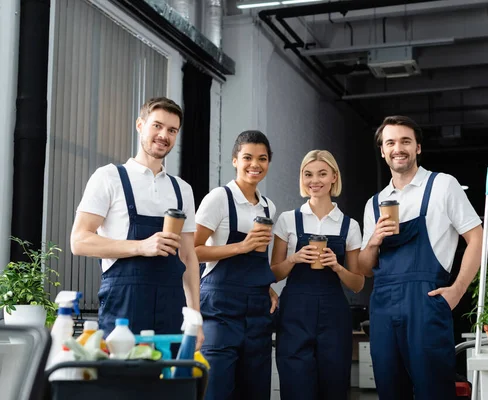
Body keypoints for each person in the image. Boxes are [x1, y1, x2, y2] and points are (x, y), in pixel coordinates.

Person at [358, 116, 483, 399]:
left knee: (433, 390)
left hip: (426, 305)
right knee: (390, 390)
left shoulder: (442, 185)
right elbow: (365, 269)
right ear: (382, 150)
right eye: (390, 142)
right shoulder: (374, 203)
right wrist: (375, 240)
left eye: (405, 141)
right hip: (384, 308)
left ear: (418, 148)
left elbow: (477, 237)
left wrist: (458, 289)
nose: (397, 148)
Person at [71, 97, 202, 345]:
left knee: (169, 381)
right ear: (140, 125)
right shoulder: (109, 177)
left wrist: (195, 316)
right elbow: (79, 241)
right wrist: (141, 247)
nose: (164, 135)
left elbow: (188, 256)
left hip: (171, 306)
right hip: (124, 305)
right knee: (122, 381)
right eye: (157, 126)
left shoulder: (182, 189)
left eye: (172, 130)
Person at [271, 150, 364, 400]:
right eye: (308, 174)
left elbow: (357, 284)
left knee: (334, 388)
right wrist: (294, 258)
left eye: (322, 174)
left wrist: (337, 266)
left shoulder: (349, 225)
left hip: (334, 316)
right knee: (295, 388)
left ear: (334, 177)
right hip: (294, 315)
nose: (315, 181)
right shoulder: (288, 220)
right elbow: (274, 274)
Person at [194, 130, 279, 400]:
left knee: (254, 391)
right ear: (234, 160)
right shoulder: (218, 199)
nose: (255, 164)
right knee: (216, 389)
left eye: (262, 158)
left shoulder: (268, 207)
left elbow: (260, 258)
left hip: (257, 310)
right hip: (220, 308)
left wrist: (267, 287)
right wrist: (241, 246)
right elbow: (192, 251)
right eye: (247, 157)